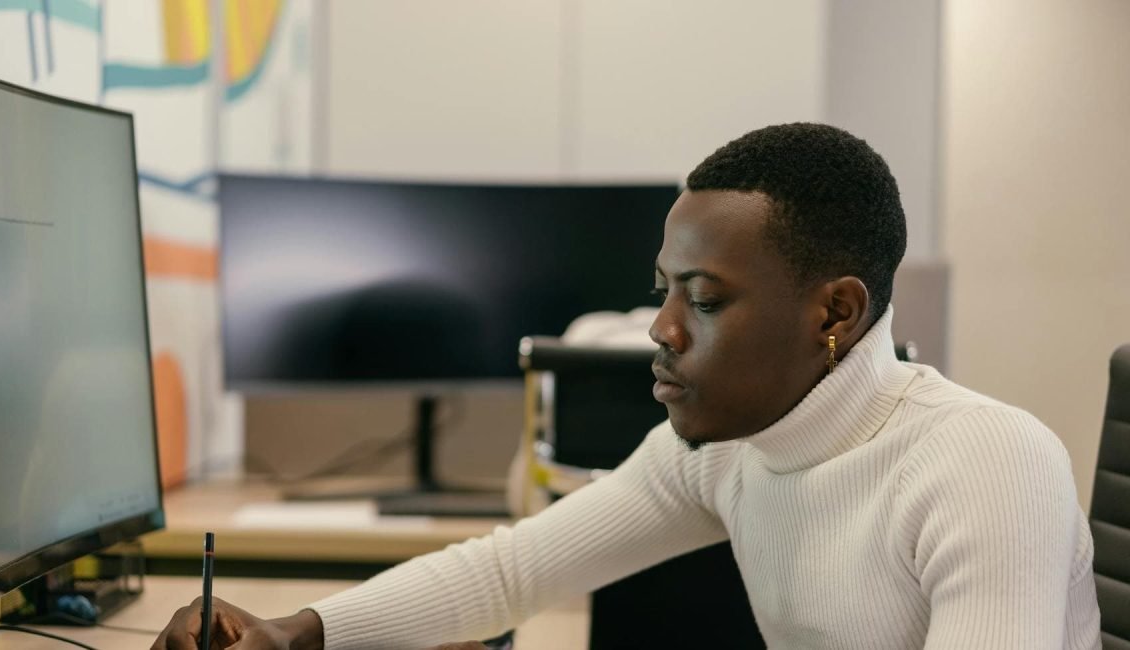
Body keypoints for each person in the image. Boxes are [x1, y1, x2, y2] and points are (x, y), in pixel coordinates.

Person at [152, 123, 1100, 649]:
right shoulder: (724, 448)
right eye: (663, 293)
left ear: (835, 316)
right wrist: (292, 633)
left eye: (706, 299)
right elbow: (510, 572)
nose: (661, 329)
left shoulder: (984, 461)